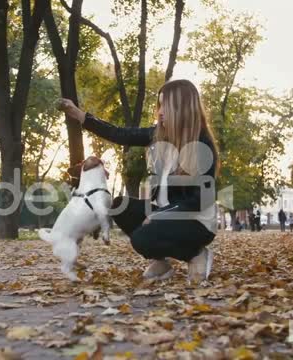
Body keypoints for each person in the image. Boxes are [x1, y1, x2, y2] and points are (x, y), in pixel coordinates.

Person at [57, 79, 219, 283]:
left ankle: (196, 254)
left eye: (166, 106)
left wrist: (159, 215)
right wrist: (81, 116)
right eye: (159, 105)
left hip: (197, 223)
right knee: (118, 206)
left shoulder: (201, 146)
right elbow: (121, 134)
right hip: (166, 213)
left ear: (183, 108)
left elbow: (200, 200)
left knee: (142, 239)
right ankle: (161, 262)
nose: (160, 112)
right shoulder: (159, 135)